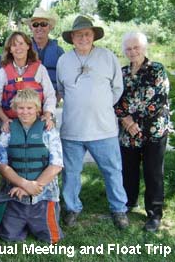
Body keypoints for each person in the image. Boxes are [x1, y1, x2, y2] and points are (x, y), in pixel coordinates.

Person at [56, 15, 129, 229]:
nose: (83, 38)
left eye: (87, 34)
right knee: (71, 172)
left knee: (112, 170)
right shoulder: (64, 61)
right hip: (72, 129)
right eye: (78, 35)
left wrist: (101, 105)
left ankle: (119, 209)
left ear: (93, 36)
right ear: (72, 38)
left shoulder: (107, 57)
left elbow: (118, 88)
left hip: (104, 128)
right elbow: (61, 90)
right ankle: (72, 207)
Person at [114, 32, 170, 232]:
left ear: (144, 48)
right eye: (128, 48)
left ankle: (154, 214)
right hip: (128, 132)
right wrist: (126, 121)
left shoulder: (157, 69)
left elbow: (158, 100)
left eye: (136, 47)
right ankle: (129, 203)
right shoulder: (121, 72)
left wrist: (133, 121)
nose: (132, 52)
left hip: (153, 130)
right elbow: (115, 99)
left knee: (153, 172)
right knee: (128, 170)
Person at [0, 89, 63, 243]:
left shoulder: (48, 129)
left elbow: (57, 165)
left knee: (50, 238)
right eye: (21, 108)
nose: (25, 112)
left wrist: (31, 187)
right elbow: (2, 164)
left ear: (37, 109)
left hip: (43, 194)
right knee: (9, 237)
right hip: (14, 193)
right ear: (15, 109)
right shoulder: (8, 130)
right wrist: (24, 184)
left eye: (29, 108)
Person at [0, 31, 56, 133]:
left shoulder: (40, 69)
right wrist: (5, 120)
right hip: (11, 123)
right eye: (14, 45)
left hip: (37, 122)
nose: (18, 48)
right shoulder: (2, 72)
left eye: (21, 44)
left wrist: (47, 116)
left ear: (28, 46)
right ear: (10, 50)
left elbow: (50, 96)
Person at [26, 7, 64, 93]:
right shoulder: (23, 49)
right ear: (30, 28)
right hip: (27, 101)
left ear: (50, 27)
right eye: (35, 24)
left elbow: (65, 78)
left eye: (43, 24)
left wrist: (57, 97)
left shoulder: (59, 52)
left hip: (51, 100)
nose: (39, 27)